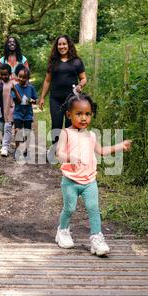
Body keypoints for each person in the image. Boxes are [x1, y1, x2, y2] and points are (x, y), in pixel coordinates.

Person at [54, 93, 132, 256]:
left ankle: (97, 238)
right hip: (70, 181)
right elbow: (58, 154)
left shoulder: (91, 135)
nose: (84, 118)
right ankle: (62, 231)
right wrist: (70, 158)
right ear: (69, 115)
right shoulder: (66, 133)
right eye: (79, 114)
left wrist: (120, 146)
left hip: (89, 180)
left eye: (87, 114)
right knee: (69, 208)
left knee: (93, 208)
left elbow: (102, 151)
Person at [39, 35, 87, 153]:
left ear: (69, 45)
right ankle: (56, 150)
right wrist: (42, 97)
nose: (62, 47)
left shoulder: (76, 61)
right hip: (55, 98)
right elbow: (47, 80)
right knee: (56, 124)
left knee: (71, 125)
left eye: (64, 44)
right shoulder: (53, 62)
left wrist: (80, 85)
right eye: (59, 44)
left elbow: (84, 78)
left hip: (72, 100)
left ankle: (69, 150)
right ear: (56, 46)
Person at [10, 65, 37, 159]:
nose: (21, 79)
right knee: (17, 131)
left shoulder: (31, 88)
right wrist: (15, 90)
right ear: (17, 76)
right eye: (19, 76)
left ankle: (24, 148)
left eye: (24, 77)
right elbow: (17, 100)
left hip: (28, 115)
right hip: (18, 113)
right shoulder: (15, 88)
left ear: (27, 78)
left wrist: (32, 101)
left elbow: (35, 100)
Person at [0, 63, 15, 157]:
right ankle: (4, 143)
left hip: (12, 110)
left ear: (10, 74)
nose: (4, 76)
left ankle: (5, 147)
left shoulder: (14, 84)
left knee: (8, 128)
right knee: (2, 128)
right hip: (2, 110)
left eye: (6, 74)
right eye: (2, 74)